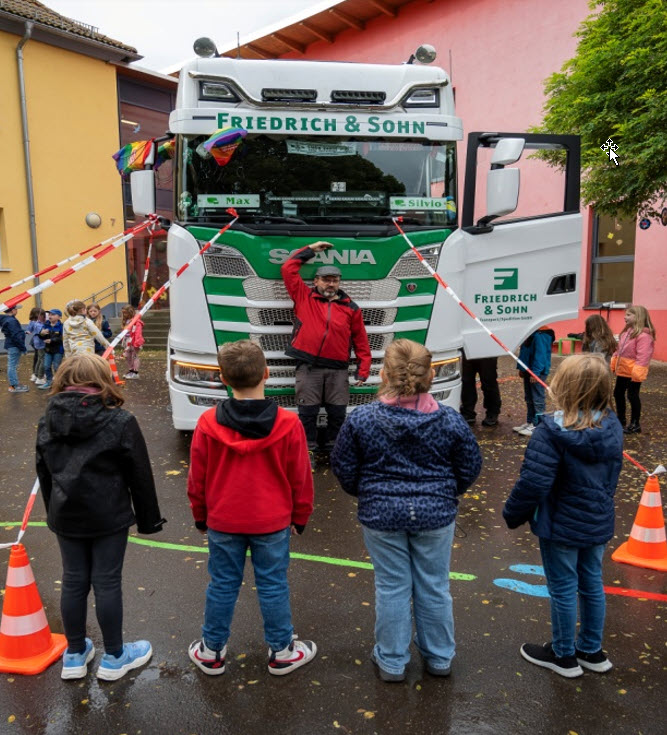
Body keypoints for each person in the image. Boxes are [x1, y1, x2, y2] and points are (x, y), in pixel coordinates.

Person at [331, 339, 482, 682]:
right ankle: (440, 657)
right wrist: (445, 493)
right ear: (430, 375)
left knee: (392, 586)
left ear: (383, 374)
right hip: (435, 514)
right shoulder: (449, 420)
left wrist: (368, 493)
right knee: (434, 585)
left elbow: (344, 466)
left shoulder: (363, 419)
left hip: (381, 514)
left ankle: (392, 660)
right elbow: (470, 465)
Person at [187, 340, 316, 677]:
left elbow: (196, 477)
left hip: (223, 520)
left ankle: (212, 650)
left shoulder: (206, 422)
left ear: (224, 379)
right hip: (271, 521)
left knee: (222, 584)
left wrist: (200, 514)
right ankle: (282, 650)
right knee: (273, 583)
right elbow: (301, 477)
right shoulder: (288, 424)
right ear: (267, 374)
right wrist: (300, 516)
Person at [35, 353, 166, 681]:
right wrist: (148, 520)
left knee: (73, 579)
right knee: (106, 581)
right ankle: (115, 656)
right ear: (102, 379)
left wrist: (54, 512)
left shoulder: (47, 418)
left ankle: (75, 653)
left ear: (64, 379)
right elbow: (140, 474)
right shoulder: (119, 420)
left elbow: (44, 471)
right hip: (109, 516)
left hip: (66, 514)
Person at [503, 354, 623, 678]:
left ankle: (563, 654)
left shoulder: (551, 432)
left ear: (564, 388)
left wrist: (513, 514)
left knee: (563, 587)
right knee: (592, 582)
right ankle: (591, 650)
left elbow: (533, 482)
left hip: (561, 524)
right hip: (596, 519)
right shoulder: (612, 426)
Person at [280, 241, 371, 469]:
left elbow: (361, 340)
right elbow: (288, 268)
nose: (331, 284)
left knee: (337, 414)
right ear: (316, 282)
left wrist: (364, 368)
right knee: (307, 413)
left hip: (338, 368)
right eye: (326, 279)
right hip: (308, 366)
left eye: (335, 280)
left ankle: (335, 452)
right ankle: (307, 451)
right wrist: (310, 249)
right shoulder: (303, 297)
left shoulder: (351, 308)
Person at [611, 305, 655, 434]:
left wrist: (637, 372)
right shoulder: (626, 332)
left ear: (638, 317)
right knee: (617, 393)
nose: (625, 317)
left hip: (634, 372)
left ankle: (635, 424)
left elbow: (643, 356)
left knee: (632, 395)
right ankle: (621, 420)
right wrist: (614, 360)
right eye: (625, 314)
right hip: (623, 370)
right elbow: (619, 349)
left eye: (629, 315)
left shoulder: (644, 336)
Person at [513, 325, 555, 437]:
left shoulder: (541, 334)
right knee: (529, 398)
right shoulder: (531, 333)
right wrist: (522, 369)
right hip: (528, 370)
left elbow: (540, 355)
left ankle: (538, 424)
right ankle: (530, 421)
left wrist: (535, 373)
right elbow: (524, 352)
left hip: (537, 372)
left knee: (537, 399)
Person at [459, 355, 501, 426]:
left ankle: (492, 412)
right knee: (466, 382)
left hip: (487, 353)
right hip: (467, 350)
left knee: (488, 381)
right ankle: (467, 411)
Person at [1, 304, 29, 393]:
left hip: (11, 344)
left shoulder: (6, 319)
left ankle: (14, 384)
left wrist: (22, 331)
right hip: (14, 345)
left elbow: (14, 332)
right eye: (16, 309)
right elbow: (16, 336)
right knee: (12, 366)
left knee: (12, 366)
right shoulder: (12, 321)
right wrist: (23, 348)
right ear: (12, 310)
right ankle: (13, 386)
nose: (17, 311)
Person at [39, 309, 64, 390]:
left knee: (57, 367)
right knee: (46, 366)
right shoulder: (46, 325)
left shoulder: (62, 326)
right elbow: (41, 336)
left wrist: (52, 340)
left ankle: (59, 383)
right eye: (49, 314)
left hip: (58, 350)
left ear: (59, 317)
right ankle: (49, 382)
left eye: (53, 314)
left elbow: (62, 338)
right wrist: (41, 334)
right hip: (48, 350)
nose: (50, 316)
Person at [120, 305, 144, 379]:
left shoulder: (136, 322)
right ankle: (131, 370)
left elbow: (138, 332)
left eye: (125, 313)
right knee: (127, 356)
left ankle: (135, 372)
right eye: (123, 313)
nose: (124, 315)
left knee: (134, 356)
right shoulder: (126, 321)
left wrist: (137, 342)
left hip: (134, 341)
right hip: (127, 341)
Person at [26, 307, 47, 385]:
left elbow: (29, 330)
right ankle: (40, 377)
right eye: (41, 315)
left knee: (39, 358)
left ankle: (36, 374)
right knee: (42, 359)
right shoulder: (37, 323)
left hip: (37, 343)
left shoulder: (34, 322)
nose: (42, 316)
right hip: (41, 343)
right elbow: (42, 332)